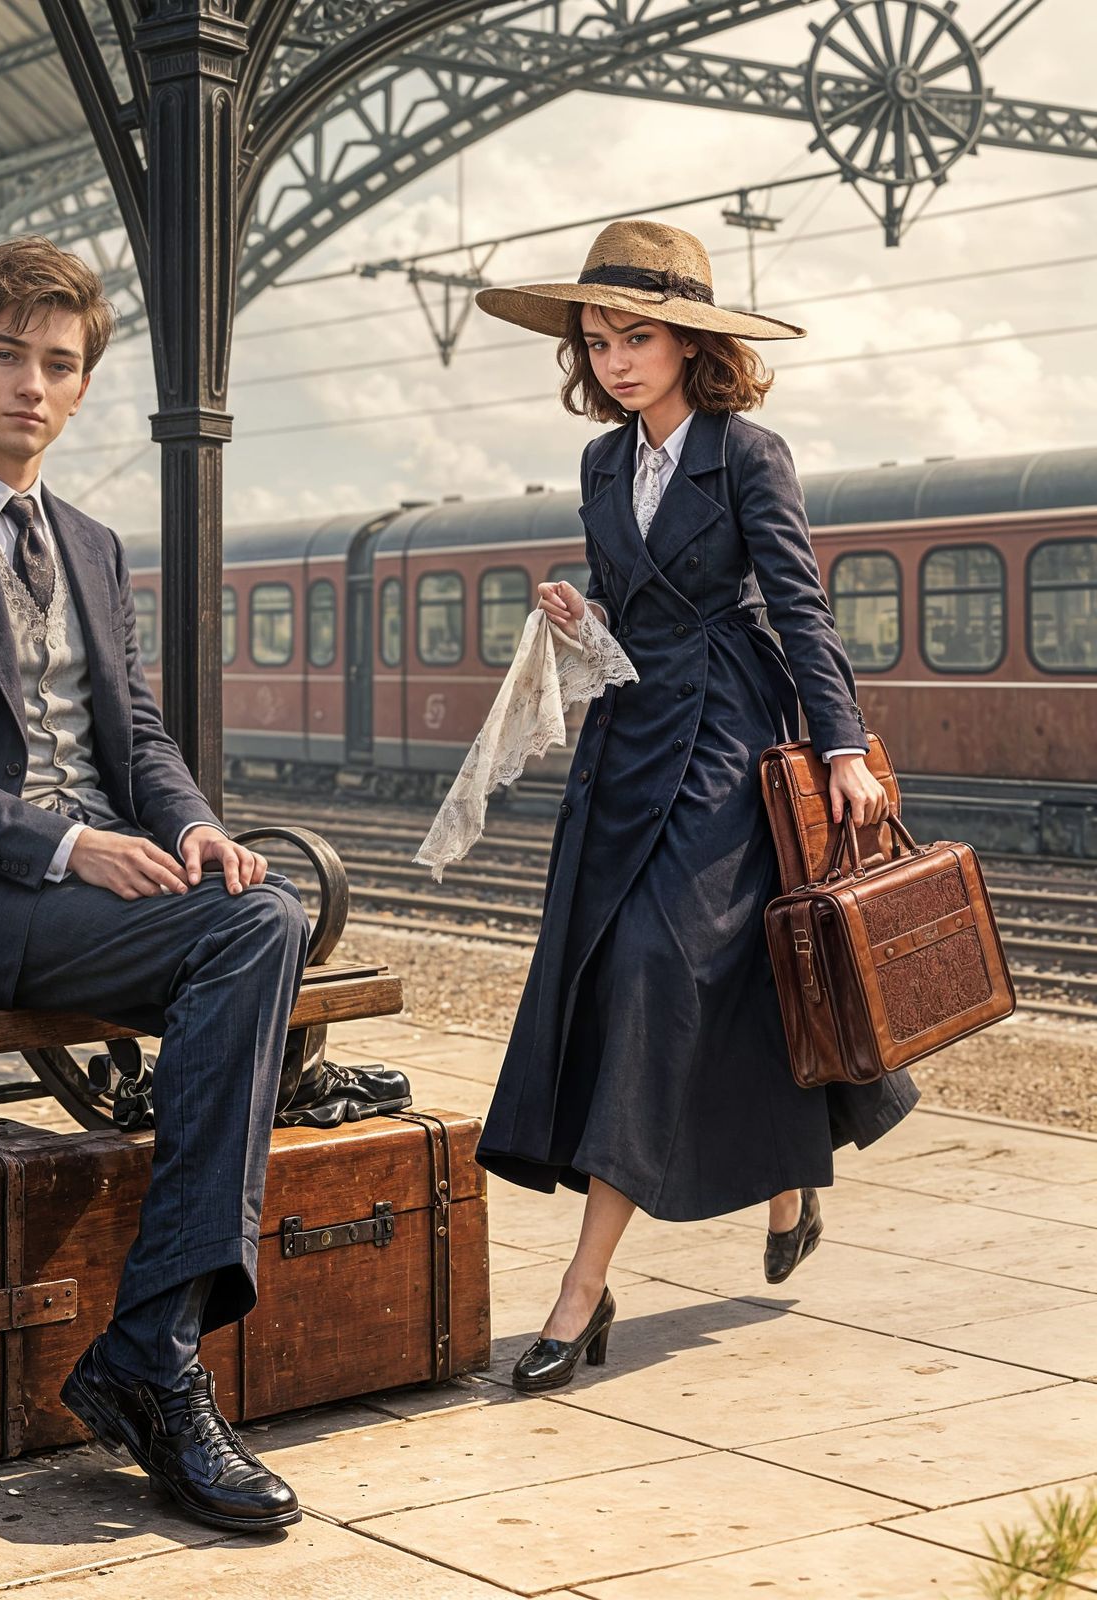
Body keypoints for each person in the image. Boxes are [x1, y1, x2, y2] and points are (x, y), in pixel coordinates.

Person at [0, 236, 307, 1531]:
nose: (31, 385)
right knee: (253, 942)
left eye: (59, 364)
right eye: (6, 358)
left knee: (255, 912)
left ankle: (152, 1346)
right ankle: (155, 1358)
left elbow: (134, 736)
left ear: (82, 388)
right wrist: (64, 846)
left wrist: (194, 827)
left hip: (97, 887)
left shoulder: (90, 543)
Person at [471, 220, 918, 1392]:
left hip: (729, 738)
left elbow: (797, 606)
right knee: (647, 973)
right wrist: (581, 622)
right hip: (627, 743)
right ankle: (788, 1173)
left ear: (690, 343)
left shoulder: (748, 453)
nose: (615, 359)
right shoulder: (598, 465)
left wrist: (842, 746)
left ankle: (580, 1290)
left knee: (666, 974)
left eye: (639, 335)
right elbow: (628, 613)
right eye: (598, 338)